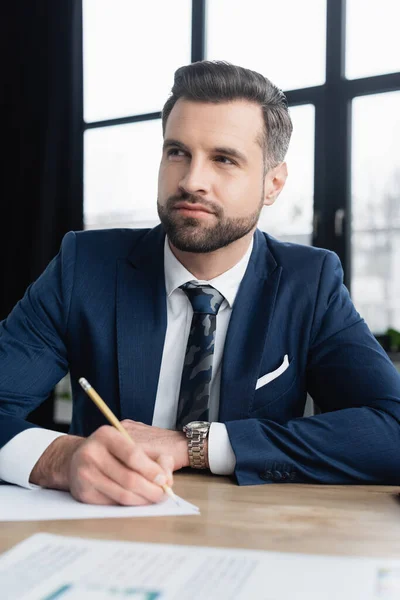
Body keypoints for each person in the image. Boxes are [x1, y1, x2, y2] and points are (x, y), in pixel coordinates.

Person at [1, 61, 400, 507]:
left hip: (251, 540)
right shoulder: (86, 266)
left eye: (224, 159)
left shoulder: (310, 283)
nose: (191, 181)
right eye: (177, 152)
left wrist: (198, 445)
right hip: (103, 528)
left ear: (273, 183)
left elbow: (392, 430)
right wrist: (60, 457)